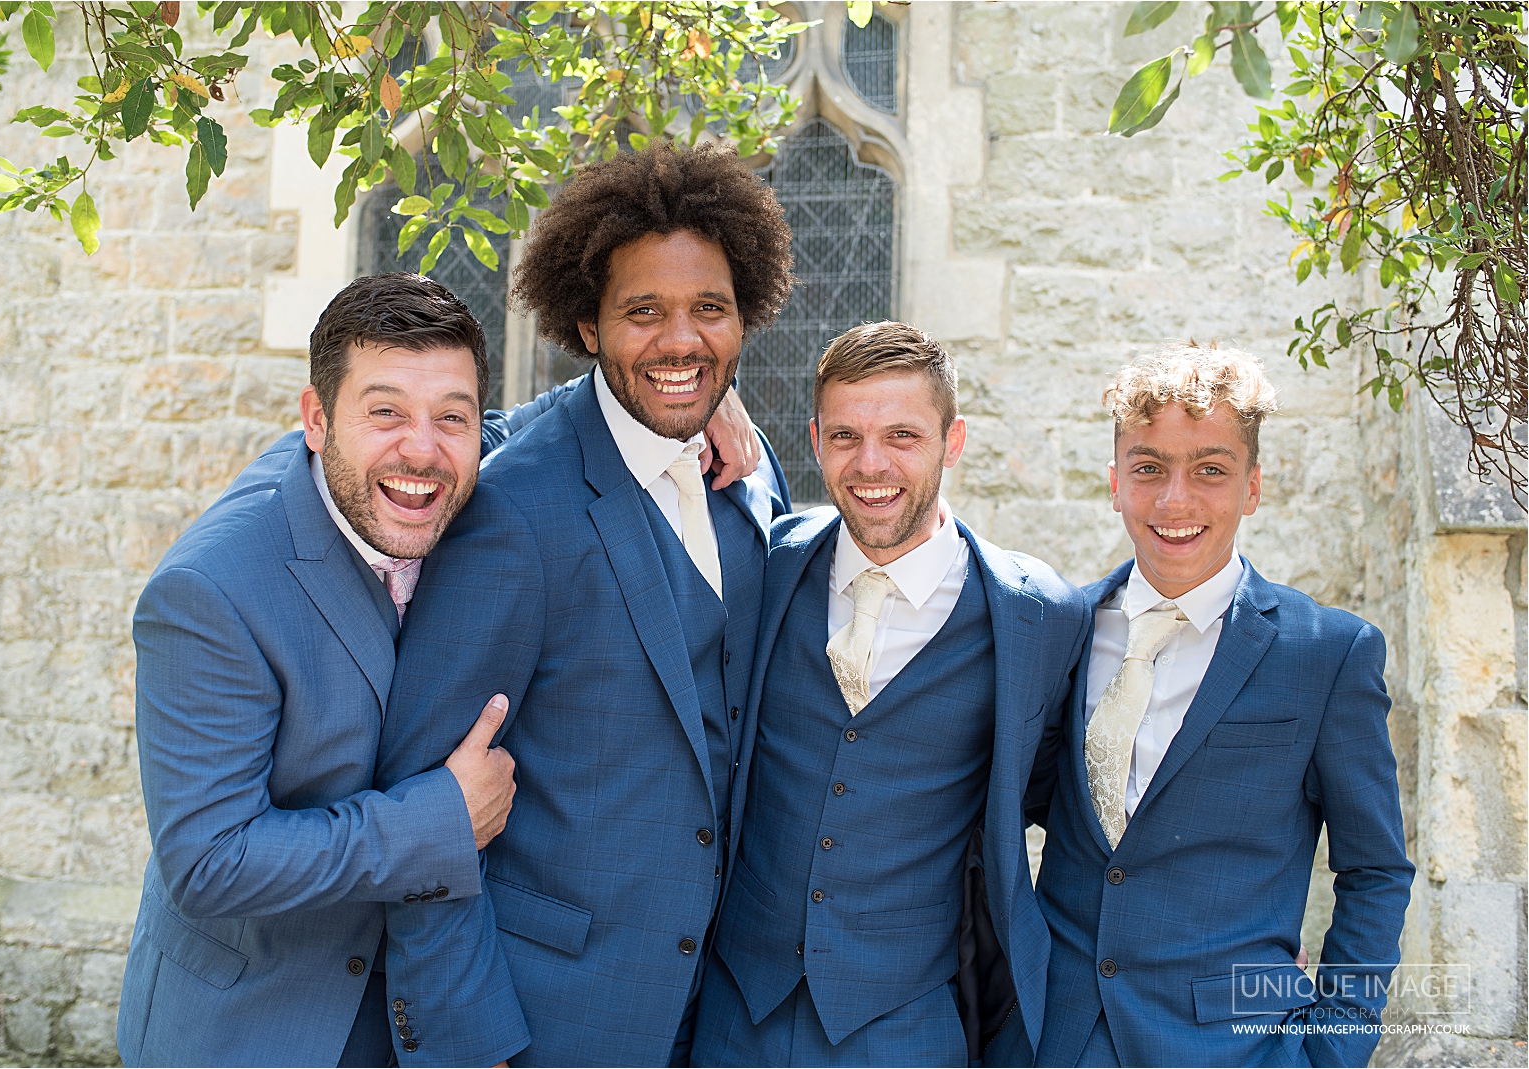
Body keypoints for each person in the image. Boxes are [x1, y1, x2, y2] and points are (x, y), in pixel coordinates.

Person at [117, 272, 762, 1068]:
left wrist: (690, 402)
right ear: (317, 419)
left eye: (449, 416)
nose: (421, 447)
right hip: (260, 1023)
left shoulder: (449, 465)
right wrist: (437, 821)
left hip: (415, 1015)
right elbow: (211, 861)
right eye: (384, 411)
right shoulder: (212, 592)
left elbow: (549, 424)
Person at [373, 140, 796, 1067]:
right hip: (542, 1019)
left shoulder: (744, 480)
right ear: (589, 324)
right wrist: (468, 1044)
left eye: (709, 310)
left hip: (710, 1017)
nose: (681, 341)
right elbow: (425, 801)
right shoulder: (514, 511)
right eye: (644, 312)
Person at [689, 322, 1088, 1068]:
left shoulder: (1039, 615)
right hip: (734, 1011)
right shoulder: (763, 565)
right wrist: (702, 401)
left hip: (906, 1026)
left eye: (902, 435)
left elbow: (1072, 807)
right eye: (846, 435)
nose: (871, 464)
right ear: (813, 440)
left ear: (953, 439)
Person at [1027, 343, 1414, 1067]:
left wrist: (1331, 1049)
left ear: (1253, 485)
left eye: (1210, 469)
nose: (1176, 500)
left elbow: (1375, 871)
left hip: (1238, 1047)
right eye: (1148, 468)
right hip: (1056, 1038)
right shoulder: (1058, 633)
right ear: (1115, 482)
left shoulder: (1327, 653)